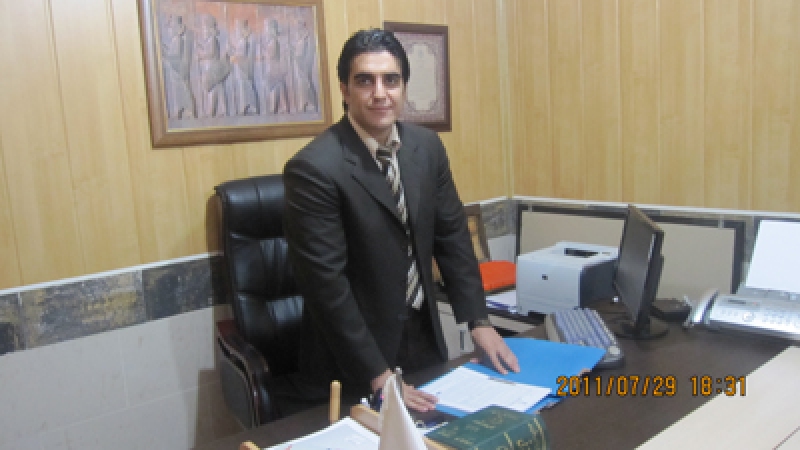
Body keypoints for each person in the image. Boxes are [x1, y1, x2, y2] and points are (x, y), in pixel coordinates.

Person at [283, 28, 519, 413]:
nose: (380, 93)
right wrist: (378, 375)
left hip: (423, 338)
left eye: (390, 80)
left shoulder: (426, 147)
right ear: (344, 90)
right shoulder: (314, 168)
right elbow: (326, 286)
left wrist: (479, 321)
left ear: (403, 87)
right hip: (353, 360)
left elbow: (452, 237)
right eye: (365, 81)